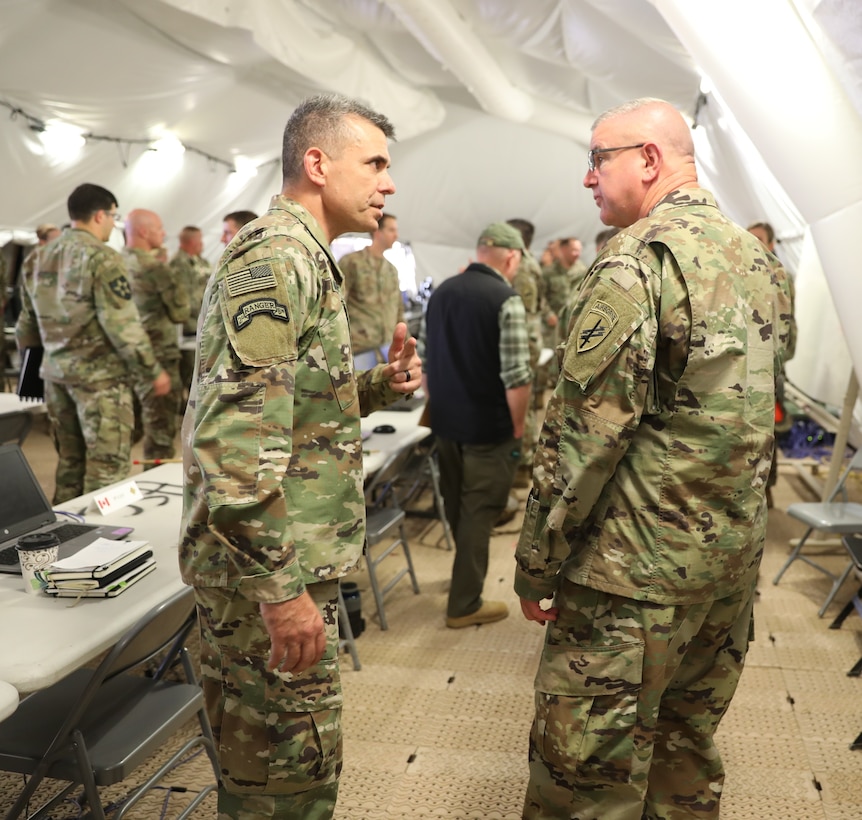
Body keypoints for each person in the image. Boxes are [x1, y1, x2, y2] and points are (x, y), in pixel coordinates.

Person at [514, 98, 794, 819]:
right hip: (725, 575)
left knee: (584, 782)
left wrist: (536, 562)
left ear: (648, 159)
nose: (587, 179)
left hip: (630, 584)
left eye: (597, 159)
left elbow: (582, 439)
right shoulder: (756, 260)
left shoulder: (637, 264)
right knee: (683, 755)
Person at [180, 93, 421, 819]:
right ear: (317, 164)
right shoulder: (277, 261)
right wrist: (282, 593)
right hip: (264, 578)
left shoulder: (309, 261)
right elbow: (235, 447)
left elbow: (296, 405)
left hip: (278, 565)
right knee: (283, 790)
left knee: (288, 775)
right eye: (375, 163)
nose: (389, 183)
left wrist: (378, 383)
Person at [15, 184, 169, 502]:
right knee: (108, 471)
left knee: (70, 464)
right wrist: (151, 371)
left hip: (55, 378)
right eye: (113, 216)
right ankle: (104, 546)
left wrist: (39, 367)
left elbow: (26, 327)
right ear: (100, 215)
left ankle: (62, 536)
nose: (114, 224)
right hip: (101, 382)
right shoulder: (104, 258)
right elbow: (122, 326)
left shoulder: (37, 258)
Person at [423, 222, 531, 629]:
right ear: (511, 256)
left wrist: (439, 409)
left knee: (456, 504)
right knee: (479, 511)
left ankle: (460, 578)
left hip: (447, 423)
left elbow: (427, 362)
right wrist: (518, 429)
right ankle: (464, 603)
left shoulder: (442, 292)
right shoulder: (506, 299)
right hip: (489, 427)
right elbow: (517, 376)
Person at [122, 209, 190, 465]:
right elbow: (180, 312)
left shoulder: (114, 263)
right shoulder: (155, 268)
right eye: (160, 229)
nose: (163, 234)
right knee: (160, 435)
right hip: (158, 357)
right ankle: (153, 489)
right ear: (144, 231)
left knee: (126, 427)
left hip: (123, 357)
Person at [747, 221, 797, 507]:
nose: (752, 243)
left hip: (769, 367)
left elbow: (788, 327)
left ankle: (767, 489)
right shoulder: (739, 271)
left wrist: (776, 364)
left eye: (758, 239)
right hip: (744, 366)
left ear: (772, 244)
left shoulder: (781, 277)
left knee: (769, 431)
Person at [508, 217, 546, 490]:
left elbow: (519, 312)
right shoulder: (529, 263)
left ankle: (523, 465)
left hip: (524, 340)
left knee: (524, 402)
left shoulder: (522, 268)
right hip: (531, 337)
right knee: (527, 401)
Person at [340, 211, 404, 357]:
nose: (396, 235)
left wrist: (404, 343)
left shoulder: (391, 270)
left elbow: (399, 310)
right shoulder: (352, 262)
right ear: (377, 231)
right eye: (391, 230)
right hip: (359, 349)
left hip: (387, 347)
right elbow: (337, 306)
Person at [169, 225, 211, 390]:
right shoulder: (178, 264)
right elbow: (182, 298)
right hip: (189, 328)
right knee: (191, 377)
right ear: (192, 241)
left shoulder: (201, 261)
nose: (202, 244)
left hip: (202, 325)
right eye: (200, 240)